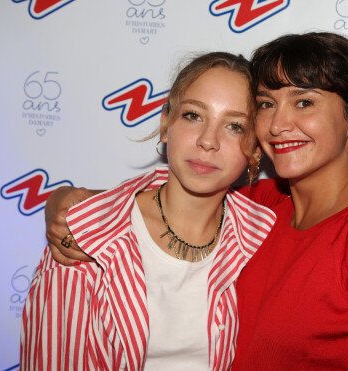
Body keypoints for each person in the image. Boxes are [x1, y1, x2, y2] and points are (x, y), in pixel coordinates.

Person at [42, 33, 348, 370]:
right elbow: (181, 190)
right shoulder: (264, 207)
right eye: (267, 104)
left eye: (304, 102)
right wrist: (69, 204)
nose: (279, 125)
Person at [20, 52, 277, 371]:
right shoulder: (85, 236)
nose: (208, 141)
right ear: (166, 124)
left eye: (235, 126)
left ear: (255, 149)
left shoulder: (264, 238)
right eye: (193, 115)